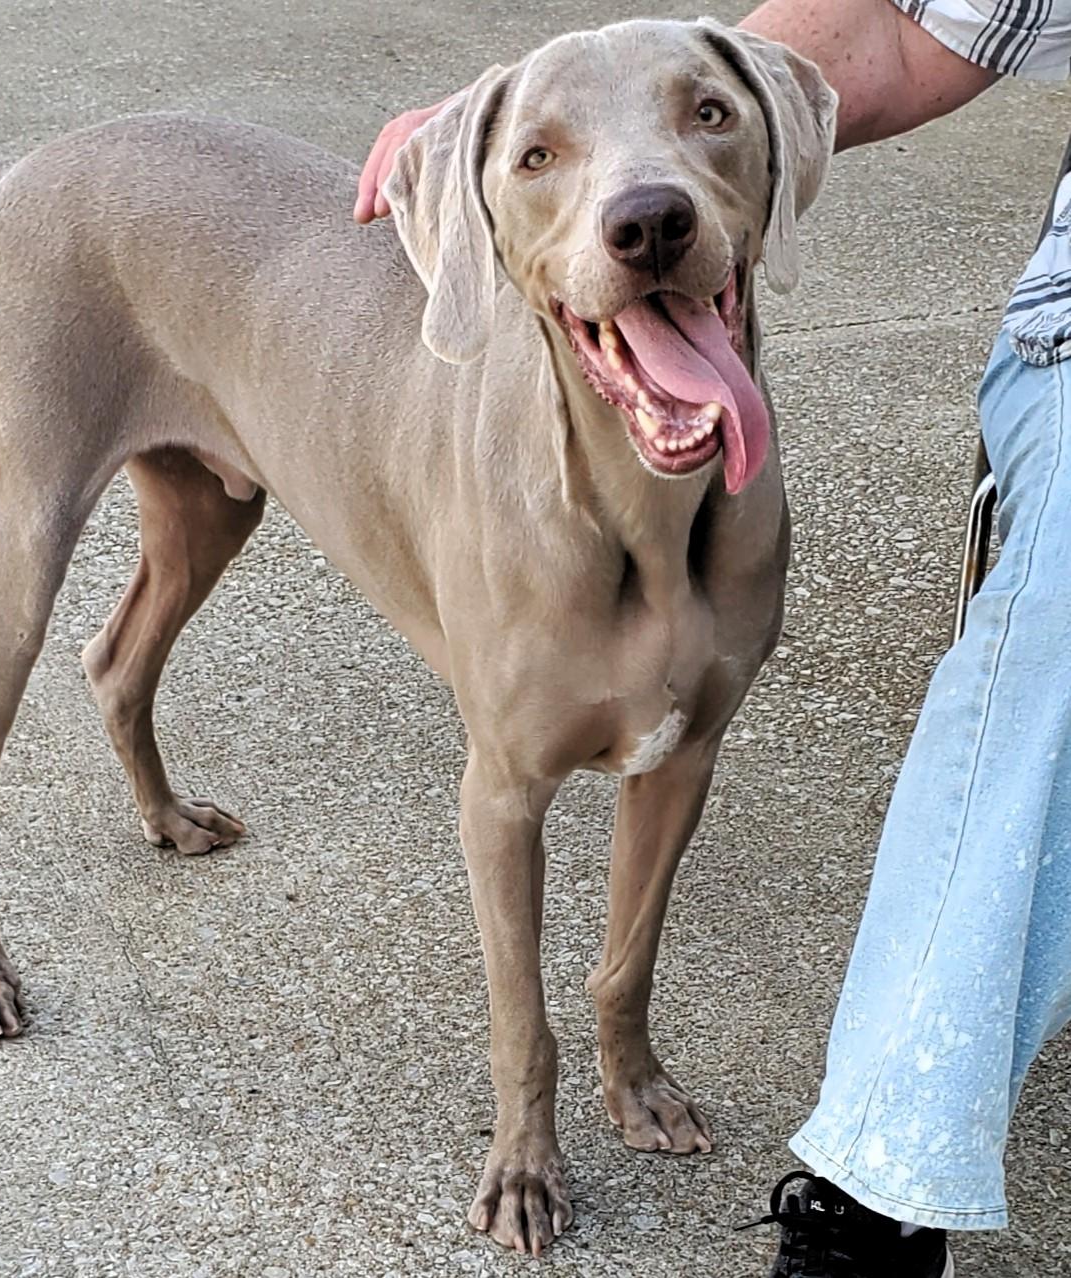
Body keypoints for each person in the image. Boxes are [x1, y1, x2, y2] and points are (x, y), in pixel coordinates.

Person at [355, 3, 1071, 1275]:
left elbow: (674, 755)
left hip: (710, 550)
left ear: (763, 171)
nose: (645, 204)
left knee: (679, 742)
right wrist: (531, 1105)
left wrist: (622, 1033)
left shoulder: (751, 506)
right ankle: (532, 1095)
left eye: (704, 122)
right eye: (542, 158)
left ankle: (620, 1022)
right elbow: (921, 30)